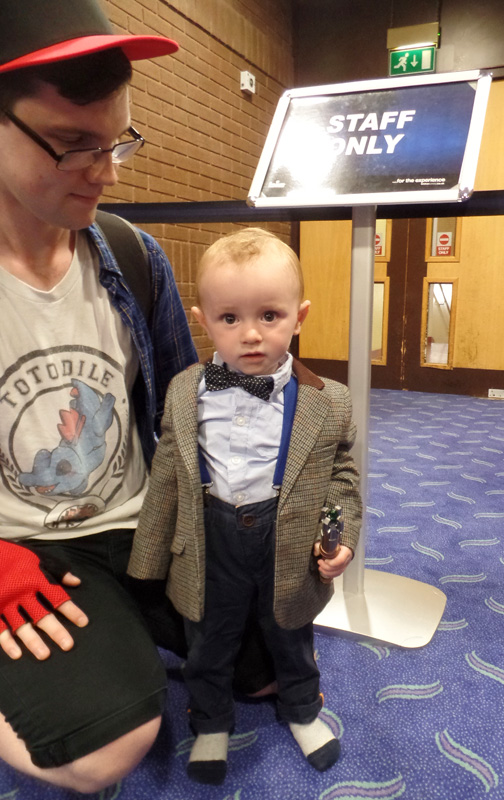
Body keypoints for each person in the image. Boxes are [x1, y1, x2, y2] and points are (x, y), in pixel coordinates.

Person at [0, 1, 272, 793]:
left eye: (118, 139)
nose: (109, 170)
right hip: (25, 551)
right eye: (75, 145)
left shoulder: (129, 253)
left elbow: (187, 420)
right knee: (105, 748)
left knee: (271, 649)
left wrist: (273, 513)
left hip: (139, 524)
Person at [127, 227, 362, 785]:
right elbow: (166, 478)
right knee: (209, 636)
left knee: (292, 632)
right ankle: (211, 722)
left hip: (290, 539)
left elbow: (343, 477)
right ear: (202, 319)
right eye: (230, 318)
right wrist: (147, 562)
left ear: (299, 316)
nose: (251, 335)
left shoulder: (329, 403)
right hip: (211, 538)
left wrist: (342, 535)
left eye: (270, 316)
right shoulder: (185, 392)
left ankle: (302, 710)